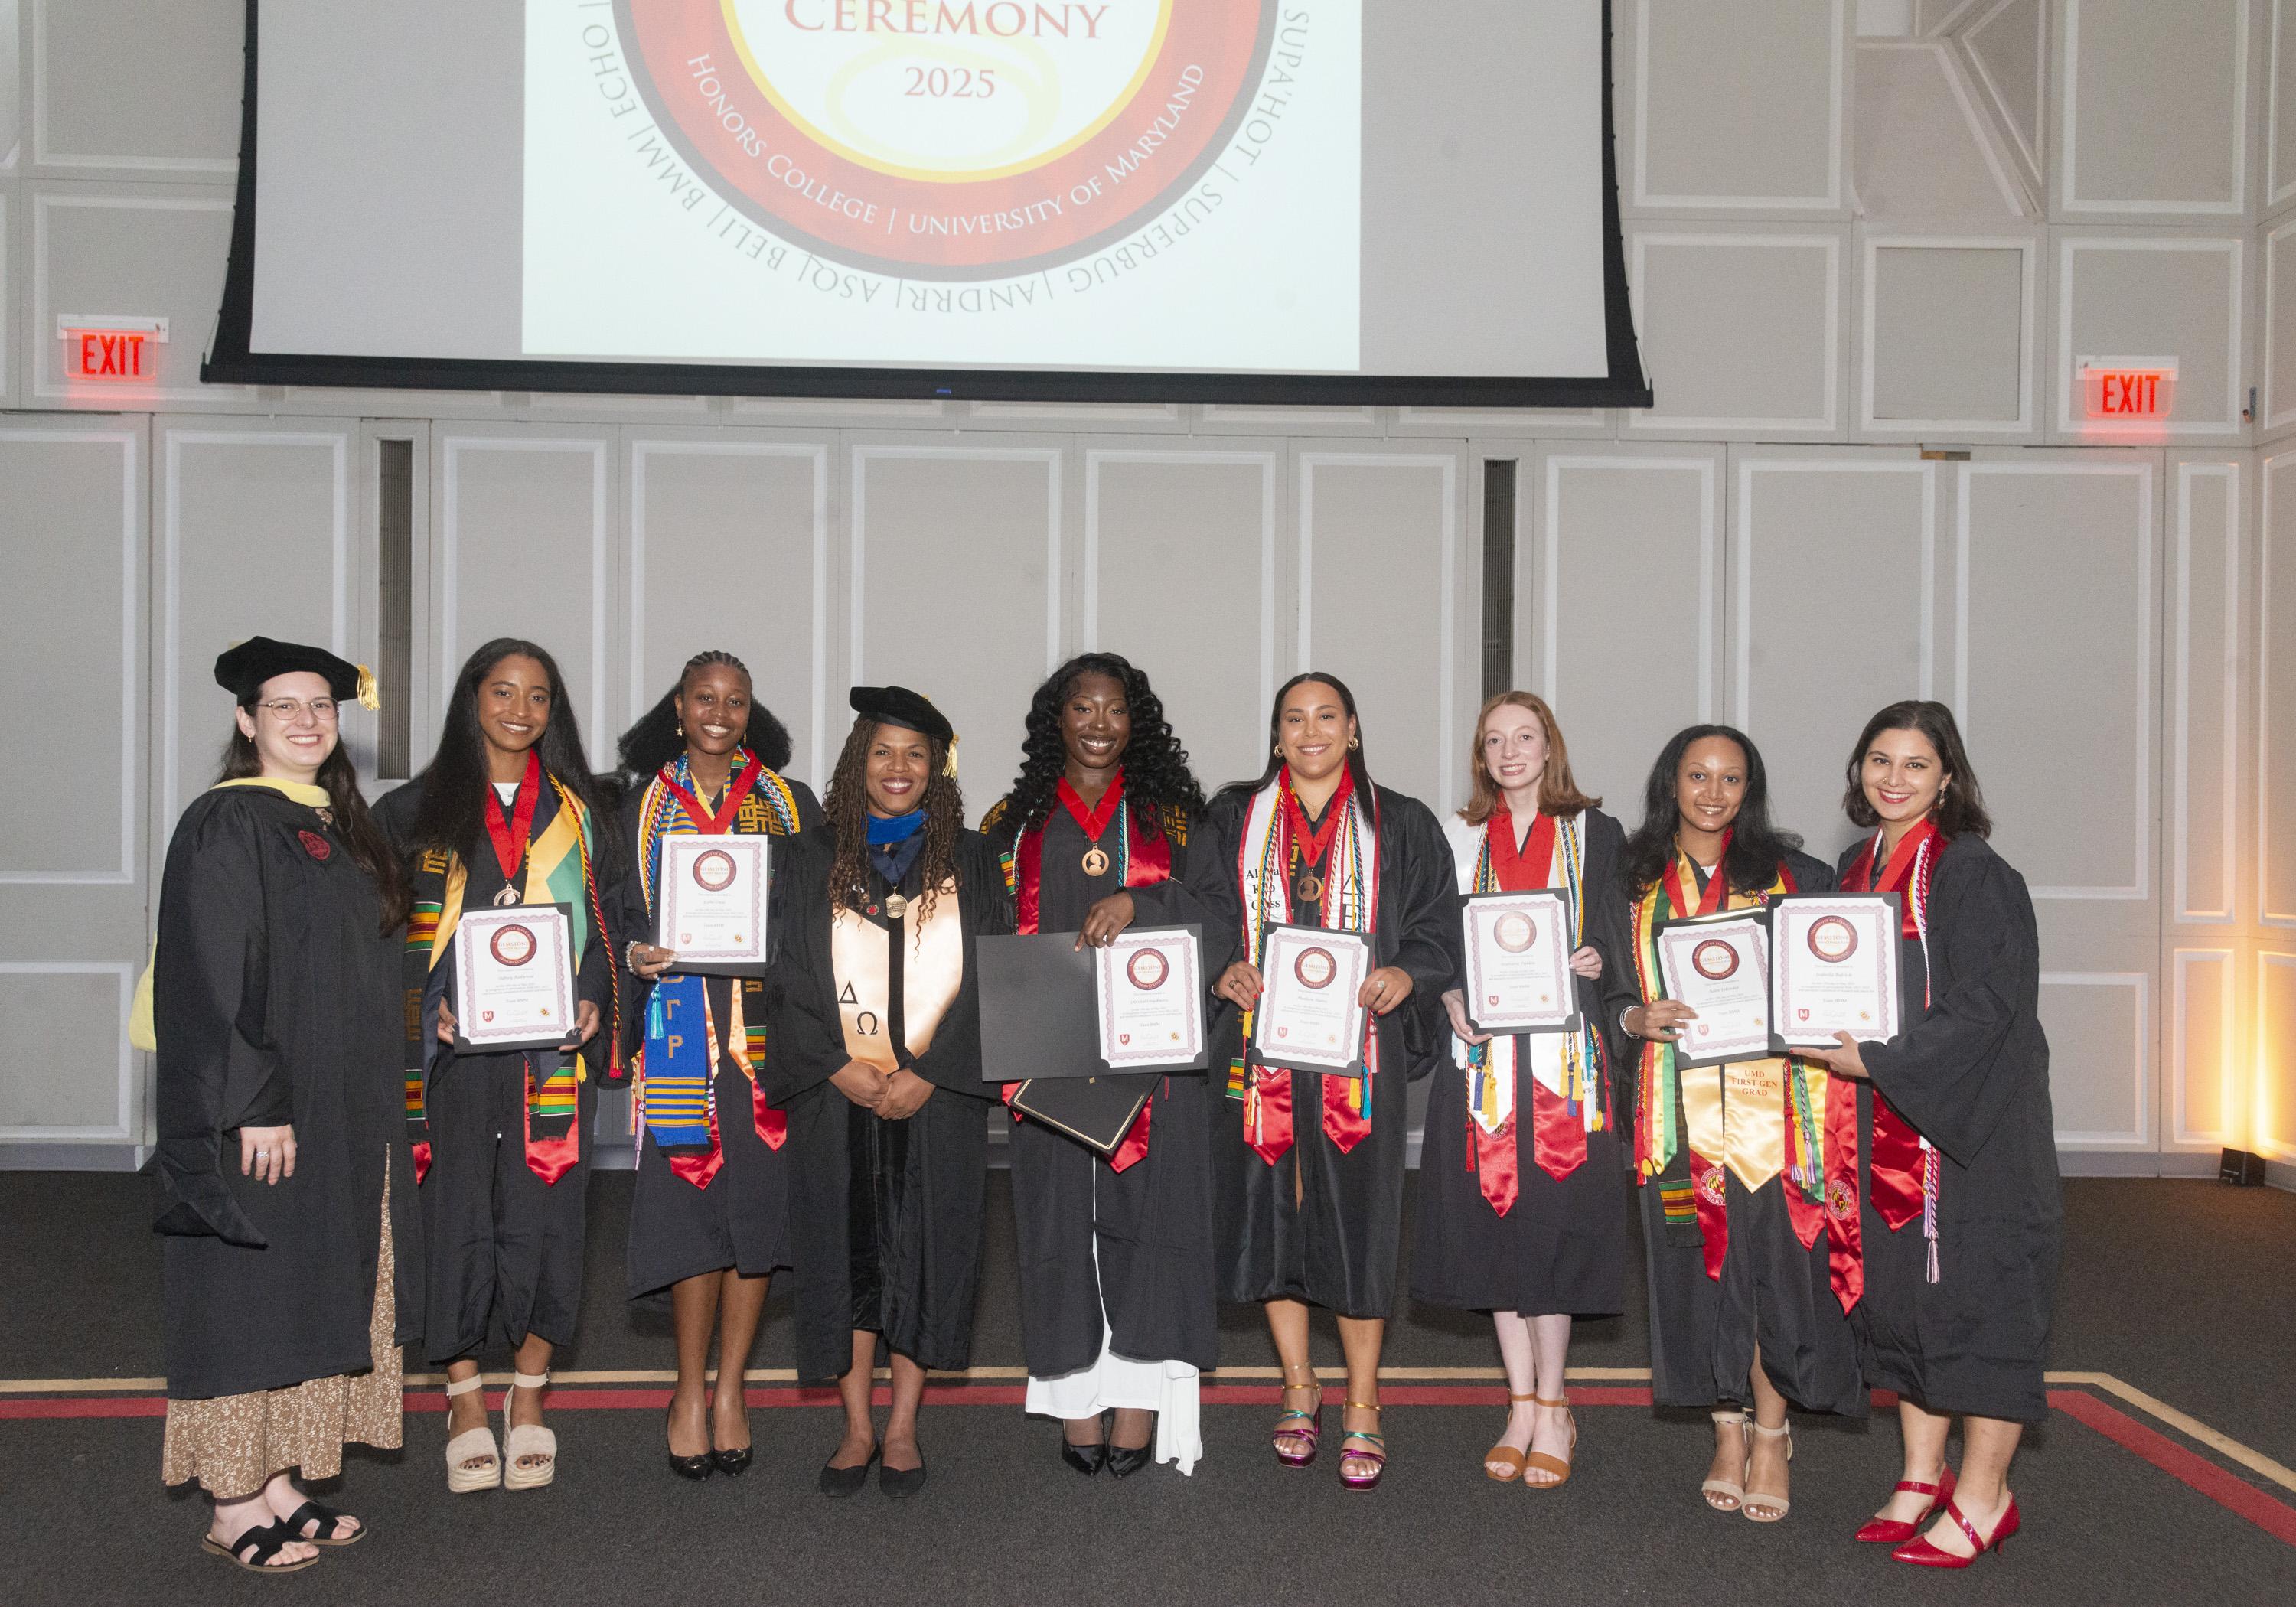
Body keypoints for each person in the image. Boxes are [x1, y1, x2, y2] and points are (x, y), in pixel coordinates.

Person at [154, 637, 419, 1573]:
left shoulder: (340, 824)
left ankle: (276, 1483)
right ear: (245, 720)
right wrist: (254, 1101)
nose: (307, 721)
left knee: (310, 1286)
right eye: (283, 706)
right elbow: (213, 972)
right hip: (265, 1105)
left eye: (321, 706)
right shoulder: (229, 821)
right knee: (249, 1298)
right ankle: (232, 1503)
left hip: (340, 1102)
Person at [1802, 700, 2058, 1567]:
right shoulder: (1857, 867)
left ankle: (1987, 1497)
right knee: (1907, 1301)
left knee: (1978, 1309)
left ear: (1947, 777)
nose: (1894, 779)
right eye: (1880, 760)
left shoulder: (1972, 872)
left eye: (1916, 764)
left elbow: (1987, 1010)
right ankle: (1921, 1475)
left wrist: (1879, 1062)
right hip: (1885, 1125)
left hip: (1968, 1136)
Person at [1190, 671, 1454, 1491]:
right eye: (1294, 719)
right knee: (1273, 1211)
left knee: (1357, 1218)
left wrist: (1408, 973)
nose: (1310, 732)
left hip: (1358, 1056)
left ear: (1353, 729)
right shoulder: (1234, 817)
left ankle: (1364, 1398)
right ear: (1276, 736)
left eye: (1326, 717)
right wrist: (1222, 967)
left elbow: (1437, 926)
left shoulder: (1400, 822)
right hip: (1259, 1053)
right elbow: (1202, 912)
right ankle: (1299, 1385)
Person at [1600, 725, 1861, 1524]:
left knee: (1776, 1272)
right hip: (1677, 1114)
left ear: (1750, 789)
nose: (1713, 793)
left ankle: (1772, 1435)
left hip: (1779, 1112)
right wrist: (1636, 1017)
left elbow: (1833, 980)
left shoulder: (1799, 877)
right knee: (1701, 1273)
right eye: (1697, 776)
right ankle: (1725, 1428)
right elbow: (1604, 992)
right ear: (1670, 783)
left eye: (1731, 779)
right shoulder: (1629, 881)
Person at [376, 638, 620, 1494]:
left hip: (553, 1055)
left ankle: (531, 1390)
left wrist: (593, 999)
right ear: (472, 698)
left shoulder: (584, 815)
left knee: (549, 1212)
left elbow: (610, 926)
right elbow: (384, 935)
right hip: (452, 1057)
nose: (521, 710)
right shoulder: (413, 812)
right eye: (504, 691)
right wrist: (428, 1003)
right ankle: (464, 1397)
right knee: (452, 1212)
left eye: (538, 695)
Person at [765, 686, 1009, 1498]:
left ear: (936, 768)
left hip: (936, 1097)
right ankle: (856, 1426)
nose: (897, 768)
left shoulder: (972, 858)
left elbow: (993, 979)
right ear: (856, 761)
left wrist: (932, 1073)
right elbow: (784, 976)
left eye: (915, 754)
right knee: (846, 1250)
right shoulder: (808, 856)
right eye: (882, 751)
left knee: (925, 1251)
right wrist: (834, 1065)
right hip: (837, 1093)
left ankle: (902, 1425)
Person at [979, 653, 1217, 1478]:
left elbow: (1218, 911)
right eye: (1082, 708)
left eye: (1115, 709)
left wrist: (1141, 903)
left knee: (1148, 1225)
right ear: (1058, 719)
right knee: (1056, 1226)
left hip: (1151, 1058)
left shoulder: (1173, 818)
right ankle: (1075, 1400)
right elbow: (981, 926)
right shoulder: (1013, 822)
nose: (1099, 724)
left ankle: (1139, 1404)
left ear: (1135, 721)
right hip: (1044, 1053)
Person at [615, 651, 822, 1479]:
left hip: (764, 1043)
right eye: (705, 697)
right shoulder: (636, 807)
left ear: (750, 713)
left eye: (736, 701)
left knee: (756, 1214)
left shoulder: (790, 804)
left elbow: (815, 913)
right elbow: (616, 917)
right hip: (680, 1035)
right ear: (679, 706)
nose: (719, 713)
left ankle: (732, 1387)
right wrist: (635, 953)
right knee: (689, 1210)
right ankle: (688, 1392)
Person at [1414, 692, 1627, 1489]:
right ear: (1481, 754)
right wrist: (1448, 994)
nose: (1510, 752)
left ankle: (1557, 1402)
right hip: (1484, 1064)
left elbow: (1618, 927)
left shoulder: (1597, 833)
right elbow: (1435, 941)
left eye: (1525, 737)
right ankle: (1520, 1406)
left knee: (1555, 1225)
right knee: (1494, 1225)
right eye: (1495, 740)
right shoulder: (1456, 835)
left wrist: (1599, 954)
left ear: (1549, 747)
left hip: (1565, 1066)